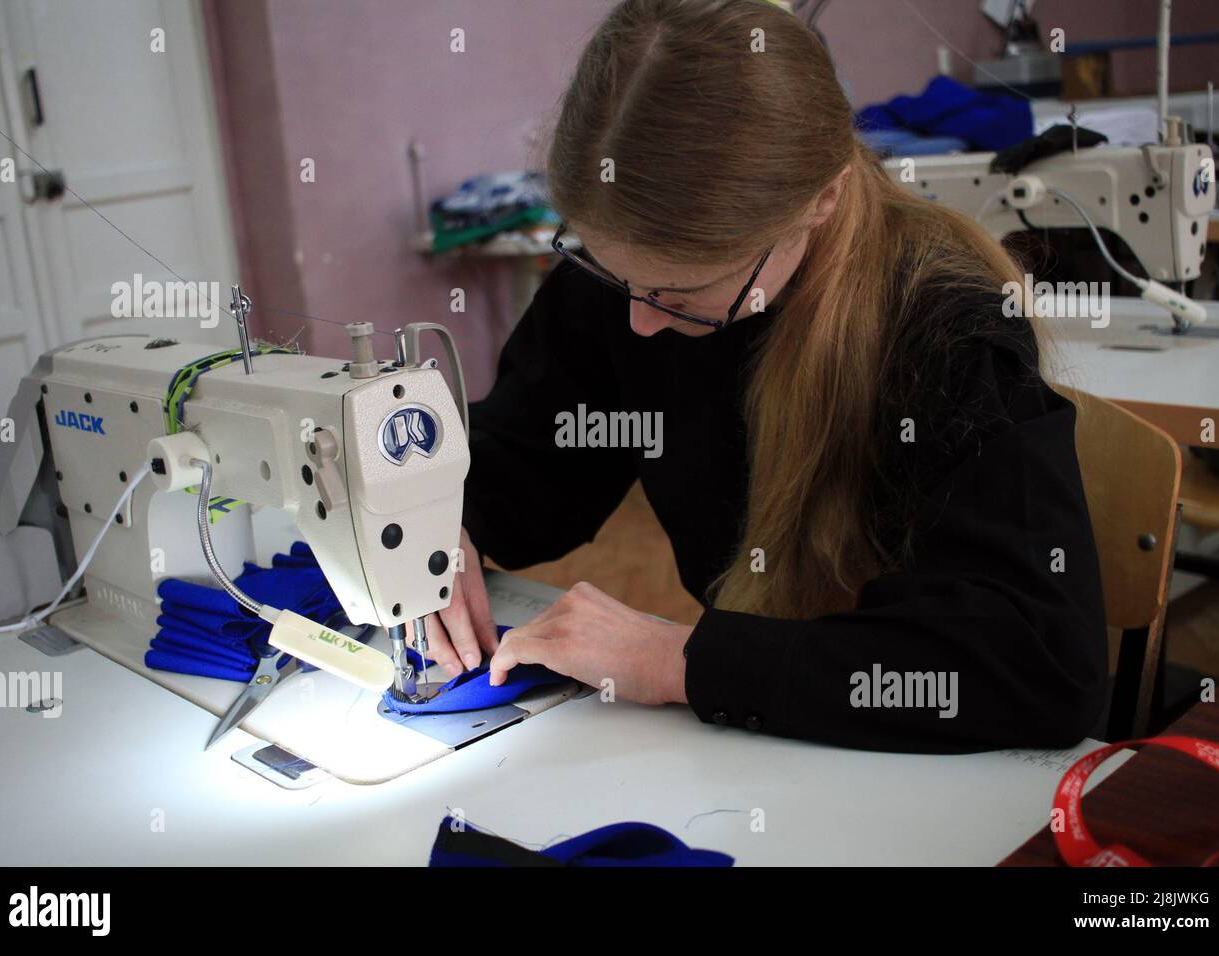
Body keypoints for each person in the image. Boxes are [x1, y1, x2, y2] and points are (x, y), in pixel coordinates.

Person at [421, 0, 1107, 754]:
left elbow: (1035, 670)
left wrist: (677, 662)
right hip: (751, 749)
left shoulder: (947, 334)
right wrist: (441, 518)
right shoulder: (629, 277)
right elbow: (531, 460)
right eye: (617, 278)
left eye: (679, 298)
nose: (639, 325)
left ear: (820, 200)